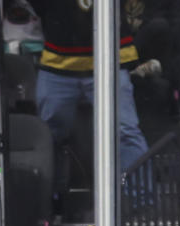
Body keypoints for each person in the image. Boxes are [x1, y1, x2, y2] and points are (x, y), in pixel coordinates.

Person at [30, 0, 150, 175]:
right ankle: (48, 198)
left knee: (125, 132)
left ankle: (140, 200)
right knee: (48, 135)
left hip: (110, 59)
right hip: (58, 61)